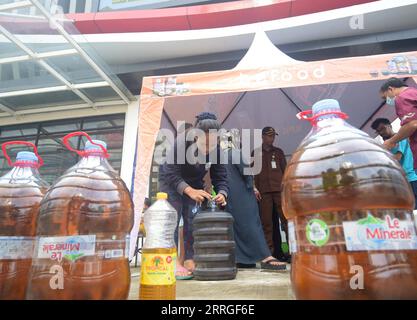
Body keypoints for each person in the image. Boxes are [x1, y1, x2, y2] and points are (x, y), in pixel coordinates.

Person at [158, 112, 228, 279]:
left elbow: (221, 176)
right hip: (171, 181)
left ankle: (190, 258)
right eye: (205, 144)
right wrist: (189, 190)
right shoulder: (181, 143)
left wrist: (222, 193)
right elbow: (171, 172)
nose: (208, 149)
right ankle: (172, 260)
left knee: (192, 220)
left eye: (213, 144)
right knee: (172, 220)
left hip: (195, 183)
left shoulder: (216, 150)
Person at [222, 131, 286, 270]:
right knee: (253, 224)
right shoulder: (236, 153)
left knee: (237, 228)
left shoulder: (219, 157)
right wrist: (252, 188)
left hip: (229, 197)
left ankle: (243, 259)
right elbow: (247, 174)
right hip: (243, 196)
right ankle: (265, 256)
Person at [253, 127, 290, 263]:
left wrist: (286, 189)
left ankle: (292, 251)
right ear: (263, 137)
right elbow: (253, 173)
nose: (272, 138)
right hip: (263, 193)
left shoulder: (279, 152)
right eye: (269, 136)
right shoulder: (256, 153)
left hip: (279, 191)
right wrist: (254, 188)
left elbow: (285, 171)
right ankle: (269, 254)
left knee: (286, 221)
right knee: (266, 223)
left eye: (273, 136)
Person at [372, 118, 417, 208]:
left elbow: (397, 158)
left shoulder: (400, 138)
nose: (381, 132)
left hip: (410, 178)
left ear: (390, 125)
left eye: (383, 128)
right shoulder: (387, 144)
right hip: (400, 181)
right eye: (378, 131)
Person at [381, 78, 417, 171]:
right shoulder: (414, 92)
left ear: (390, 89)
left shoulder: (402, 97)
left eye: (385, 97)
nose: (386, 101)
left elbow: (412, 124)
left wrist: (391, 141)